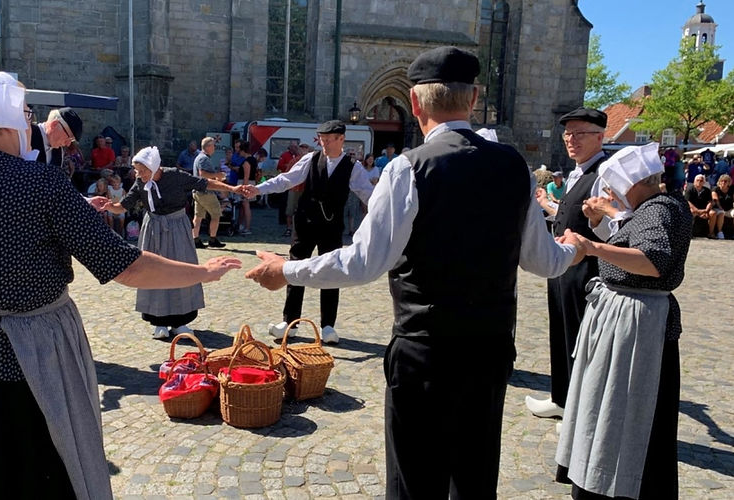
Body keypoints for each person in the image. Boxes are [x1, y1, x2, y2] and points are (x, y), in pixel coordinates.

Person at [244, 46, 582, 499]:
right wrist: (575, 251)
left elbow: (363, 261)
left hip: (428, 347)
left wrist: (286, 269)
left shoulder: (409, 168)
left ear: (415, 102)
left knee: (414, 478)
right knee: (475, 473)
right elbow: (543, 262)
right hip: (489, 346)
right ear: (474, 97)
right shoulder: (514, 167)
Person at [0, 71, 241, 499]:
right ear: (11, 125)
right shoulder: (42, 183)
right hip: (30, 357)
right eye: (25, 115)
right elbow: (125, 266)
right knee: (38, 473)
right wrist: (202, 272)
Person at [556, 143, 691, 500]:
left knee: (629, 408)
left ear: (636, 182)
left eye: (617, 185)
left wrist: (592, 246)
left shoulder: (660, 209)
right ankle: (603, 477)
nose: (612, 193)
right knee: (609, 402)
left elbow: (651, 260)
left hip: (638, 323)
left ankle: (625, 485)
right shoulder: (653, 208)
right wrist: (605, 224)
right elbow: (631, 240)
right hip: (624, 315)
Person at [242, 121, 375, 345]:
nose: (323, 143)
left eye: (328, 139)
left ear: (341, 139)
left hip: (331, 225)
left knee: (333, 271)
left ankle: (328, 326)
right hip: (305, 221)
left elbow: (368, 194)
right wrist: (259, 189)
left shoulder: (353, 166)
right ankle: (290, 321)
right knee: (295, 267)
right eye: (321, 139)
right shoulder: (310, 159)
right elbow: (287, 179)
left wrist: (388, 215)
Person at [526, 107, 614, 421]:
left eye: (579, 134)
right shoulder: (576, 171)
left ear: (600, 137)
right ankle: (562, 397)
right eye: (568, 134)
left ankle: (578, 410)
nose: (571, 140)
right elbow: (570, 213)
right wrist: (549, 208)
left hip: (586, 268)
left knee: (580, 338)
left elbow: (612, 222)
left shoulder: (604, 173)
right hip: (563, 262)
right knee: (561, 330)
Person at [101, 146, 244, 339]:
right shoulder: (140, 182)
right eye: (137, 170)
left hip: (177, 228)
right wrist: (110, 207)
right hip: (153, 229)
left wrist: (232, 188)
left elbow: (204, 183)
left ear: (153, 167)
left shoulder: (175, 176)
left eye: (141, 170)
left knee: (181, 269)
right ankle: (158, 321)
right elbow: (123, 206)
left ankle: (180, 321)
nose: (138, 174)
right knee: (153, 271)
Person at [192, 136, 228, 248]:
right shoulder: (204, 159)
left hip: (197, 191)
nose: (215, 148)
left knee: (198, 217)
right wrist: (218, 175)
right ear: (208, 147)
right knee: (216, 214)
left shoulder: (199, 157)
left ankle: (195, 239)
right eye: (213, 145)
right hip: (205, 192)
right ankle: (212, 239)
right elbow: (203, 174)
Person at [30, 107, 83, 173]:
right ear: (54, 125)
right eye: (69, 138)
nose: (68, 144)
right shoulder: (29, 135)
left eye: (72, 140)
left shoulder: (58, 150)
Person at [685, 173, 723, 238]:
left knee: (713, 213)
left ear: (704, 182)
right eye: (697, 180)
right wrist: (697, 211)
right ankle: (689, 233)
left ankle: (711, 233)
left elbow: (710, 202)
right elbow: (688, 202)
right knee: (692, 212)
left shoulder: (707, 190)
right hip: (693, 209)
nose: (699, 182)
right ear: (694, 181)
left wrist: (706, 211)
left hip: (704, 210)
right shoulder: (689, 189)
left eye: (701, 181)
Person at [238, 146, 264, 235]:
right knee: (243, 205)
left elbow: (246, 176)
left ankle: (247, 228)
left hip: (246, 183)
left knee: (246, 205)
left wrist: (244, 188)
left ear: (243, 151)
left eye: (240, 150)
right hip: (251, 182)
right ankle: (240, 225)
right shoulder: (254, 161)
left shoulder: (247, 161)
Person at [712, 174, 733, 238]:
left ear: (729, 182)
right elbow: (716, 200)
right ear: (719, 181)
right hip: (718, 208)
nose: (723, 182)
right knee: (721, 213)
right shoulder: (715, 189)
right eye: (722, 181)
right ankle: (720, 232)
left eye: (725, 181)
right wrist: (721, 209)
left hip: (729, 209)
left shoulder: (732, 190)